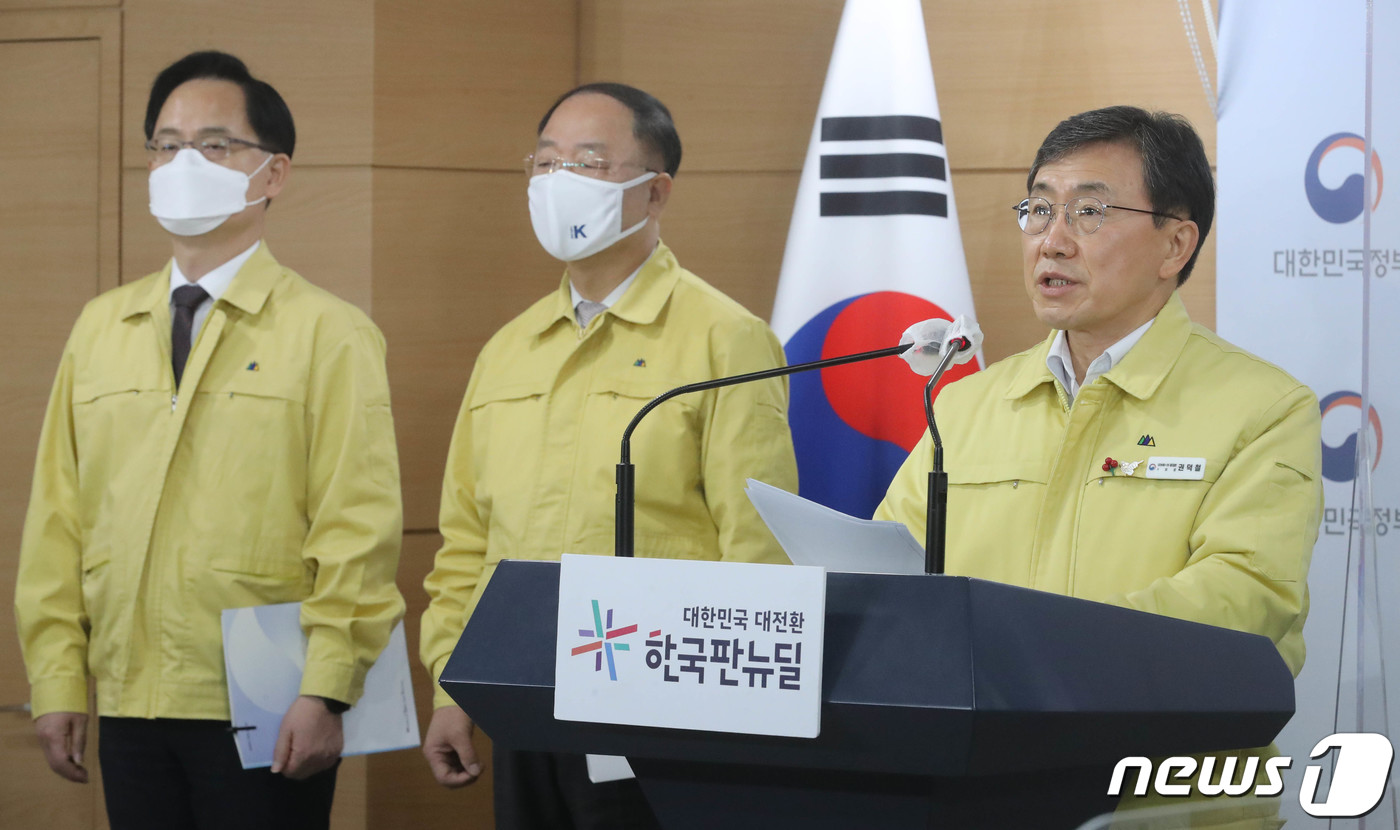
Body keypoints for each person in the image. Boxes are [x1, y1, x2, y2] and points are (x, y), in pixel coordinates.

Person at [877, 107, 1322, 818]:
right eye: (1038, 210)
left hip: (1164, 806)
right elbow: (884, 574)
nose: (1052, 241)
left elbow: (1246, 602)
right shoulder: (963, 405)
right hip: (970, 790)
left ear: (1175, 243)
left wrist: (1028, 650)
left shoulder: (1263, 407)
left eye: (1089, 212)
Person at [13, 51, 405, 830]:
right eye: (167, 145)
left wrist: (327, 688)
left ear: (273, 173)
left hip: (269, 695)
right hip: (129, 695)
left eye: (215, 145)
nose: (184, 163)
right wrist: (56, 678)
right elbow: (57, 517)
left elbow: (357, 528)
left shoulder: (329, 333)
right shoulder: (101, 326)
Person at [418, 82, 799, 828]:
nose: (558, 180)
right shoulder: (508, 350)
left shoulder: (725, 339)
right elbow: (465, 543)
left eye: (588, 163)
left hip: (661, 710)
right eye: (546, 162)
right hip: (521, 692)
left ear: (655, 191)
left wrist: (732, 721)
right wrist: (451, 686)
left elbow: (757, 547)